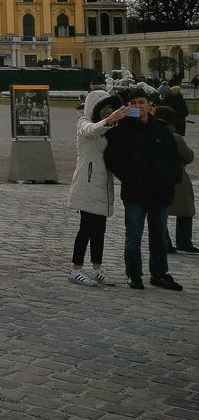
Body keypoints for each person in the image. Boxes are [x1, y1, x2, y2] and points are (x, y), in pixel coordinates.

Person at [104, 88, 184, 291]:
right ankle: (134, 274)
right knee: (133, 238)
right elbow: (112, 159)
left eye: (141, 102)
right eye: (133, 103)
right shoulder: (120, 131)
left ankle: (159, 274)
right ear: (127, 107)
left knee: (159, 238)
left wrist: (172, 178)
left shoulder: (162, 128)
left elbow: (174, 157)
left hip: (160, 191)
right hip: (135, 192)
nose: (138, 107)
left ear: (149, 105)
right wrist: (129, 177)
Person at [69, 90, 126, 285]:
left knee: (99, 230)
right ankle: (75, 269)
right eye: (104, 109)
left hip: (103, 183)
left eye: (110, 109)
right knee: (85, 228)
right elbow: (92, 130)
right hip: (87, 182)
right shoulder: (83, 122)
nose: (107, 112)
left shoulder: (109, 127)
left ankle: (96, 268)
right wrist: (110, 120)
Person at [154, 105, 196, 254]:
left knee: (159, 212)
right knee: (185, 209)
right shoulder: (175, 137)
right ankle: (184, 241)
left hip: (156, 177)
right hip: (176, 175)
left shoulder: (150, 133)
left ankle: (164, 241)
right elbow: (189, 156)